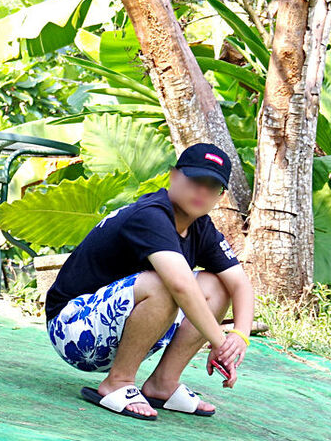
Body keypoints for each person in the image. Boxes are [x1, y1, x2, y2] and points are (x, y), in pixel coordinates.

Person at [44, 144, 255, 420]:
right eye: (195, 180)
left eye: (212, 186)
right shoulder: (151, 214)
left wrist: (239, 336)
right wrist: (220, 343)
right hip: (72, 330)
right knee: (164, 282)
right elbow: (179, 284)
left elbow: (240, 283)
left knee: (216, 285)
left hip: (116, 328)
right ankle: (117, 382)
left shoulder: (201, 226)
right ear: (174, 176)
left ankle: (162, 384)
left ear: (220, 195)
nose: (202, 192)